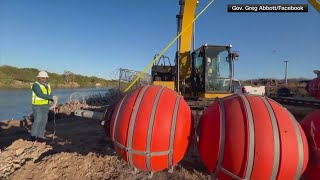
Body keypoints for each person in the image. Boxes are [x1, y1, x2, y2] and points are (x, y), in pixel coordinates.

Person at [30, 70, 58, 142]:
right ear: (39, 78)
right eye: (43, 78)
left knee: (44, 120)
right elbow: (40, 94)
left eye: (46, 78)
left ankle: (41, 136)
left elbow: (50, 94)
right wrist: (52, 98)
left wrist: (53, 101)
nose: (44, 79)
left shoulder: (47, 85)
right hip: (37, 106)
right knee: (38, 120)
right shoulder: (35, 85)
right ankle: (33, 137)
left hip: (45, 105)